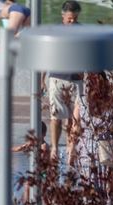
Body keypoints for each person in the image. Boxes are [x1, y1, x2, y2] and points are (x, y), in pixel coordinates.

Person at [43, 0, 83, 160]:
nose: (72, 23)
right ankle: (54, 148)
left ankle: (71, 147)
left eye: (74, 19)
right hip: (57, 78)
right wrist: (41, 78)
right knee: (56, 117)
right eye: (69, 19)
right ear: (63, 16)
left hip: (77, 79)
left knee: (75, 119)